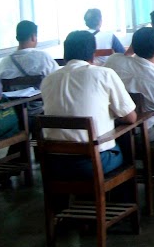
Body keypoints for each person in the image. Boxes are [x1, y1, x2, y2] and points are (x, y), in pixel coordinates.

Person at [40, 31, 137, 177]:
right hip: (93, 162)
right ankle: (123, 198)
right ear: (93, 54)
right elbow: (130, 117)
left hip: (55, 163)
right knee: (126, 146)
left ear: (65, 55)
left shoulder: (48, 79)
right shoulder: (104, 74)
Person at [104, 27, 154, 141]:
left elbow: (124, 56)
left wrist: (132, 49)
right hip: (142, 135)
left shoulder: (113, 60)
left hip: (113, 132)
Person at [0, 20, 59, 116]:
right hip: (41, 111)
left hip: (14, 114)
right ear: (34, 37)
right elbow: (59, 81)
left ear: (17, 37)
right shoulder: (42, 57)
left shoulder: (4, 62)